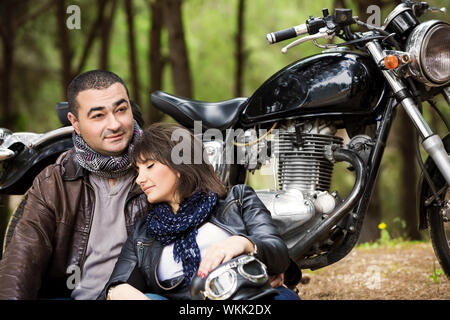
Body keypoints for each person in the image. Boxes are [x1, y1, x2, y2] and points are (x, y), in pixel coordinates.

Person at [98, 122, 300, 300]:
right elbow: (117, 283)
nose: (139, 179)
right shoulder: (143, 232)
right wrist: (116, 291)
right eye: (137, 170)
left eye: (149, 166)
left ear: (180, 165)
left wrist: (243, 243)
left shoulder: (237, 200)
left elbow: (279, 255)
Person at [0, 70, 151, 300]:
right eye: (98, 116)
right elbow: (23, 258)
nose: (114, 124)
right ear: (76, 123)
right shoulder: (54, 182)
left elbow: (213, 216)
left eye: (121, 110)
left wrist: (229, 242)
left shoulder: (161, 168)